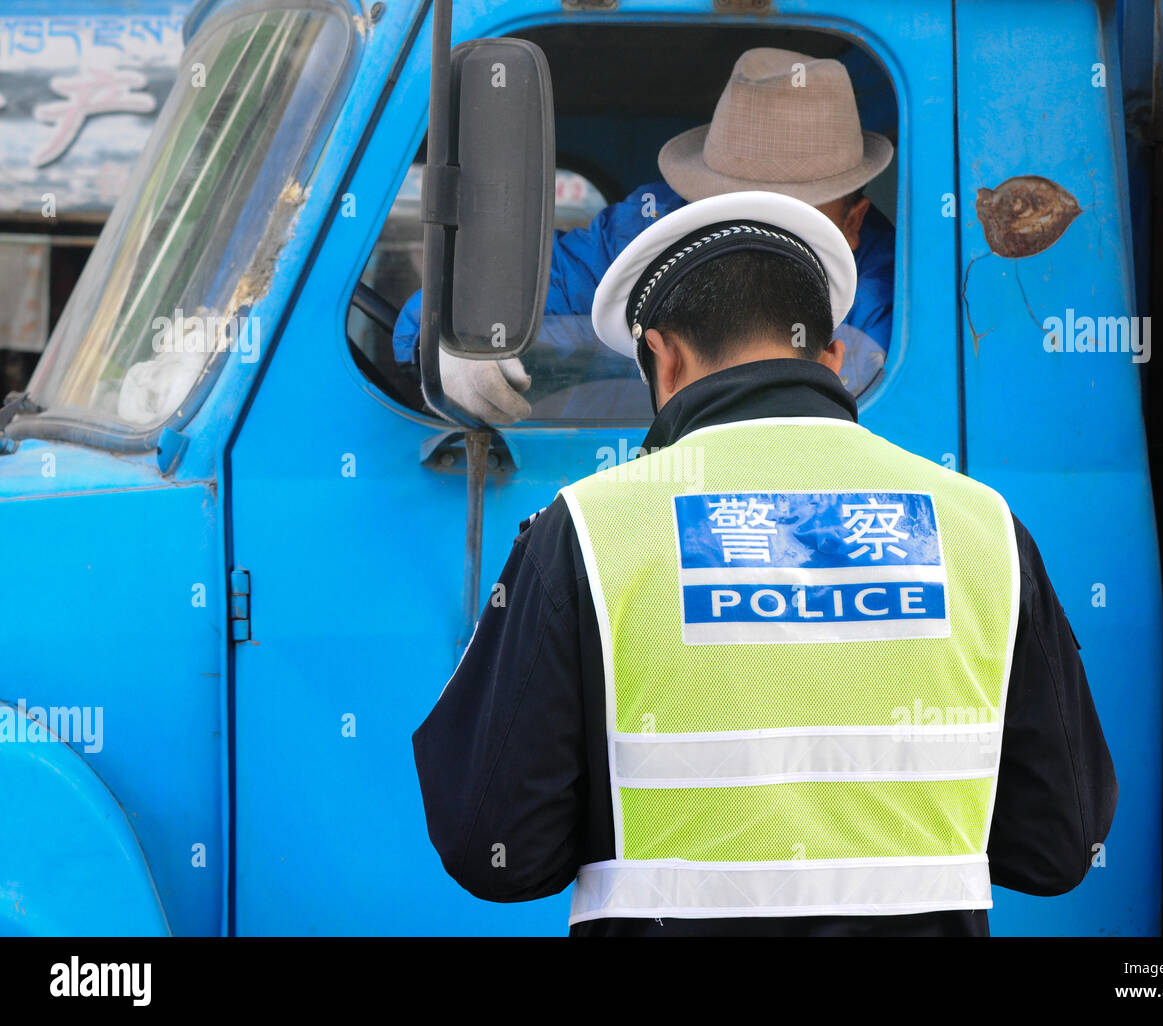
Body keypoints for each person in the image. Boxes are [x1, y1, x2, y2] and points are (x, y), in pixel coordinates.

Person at [411, 190, 1117, 936]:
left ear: (664, 355)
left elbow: (493, 851)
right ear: (836, 357)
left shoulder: (587, 530)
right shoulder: (984, 528)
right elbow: (1058, 848)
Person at [393, 47, 897, 423]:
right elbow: (490, 297)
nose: (754, 245)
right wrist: (451, 335)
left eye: (793, 220)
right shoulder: (639, 234)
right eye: (731, 208)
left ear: (853, 222)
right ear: (696, 197)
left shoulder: (903, 293)